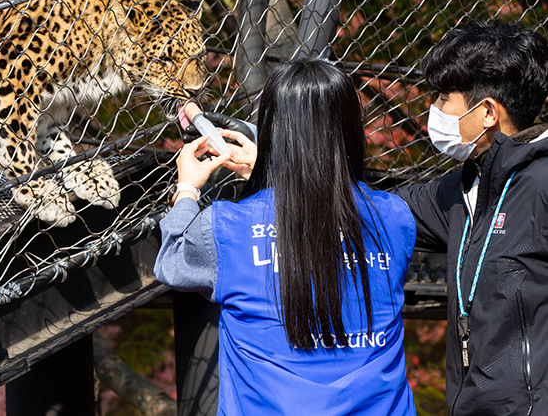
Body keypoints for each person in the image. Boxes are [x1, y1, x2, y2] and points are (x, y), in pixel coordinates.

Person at [156, 58, 416, 415]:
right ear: (351, 129)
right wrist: (279, 172)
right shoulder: (394, 217)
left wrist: (187, 189)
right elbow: (323, 215)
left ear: (271, 130)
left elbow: (172, 263)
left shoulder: (226, 227)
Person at [393, 21, 548, 415]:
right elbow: (374, 209)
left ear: (488, 113)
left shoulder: (542, 184)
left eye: (445, 98)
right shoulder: (464, 187)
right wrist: (281, 168)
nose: (435, 109)